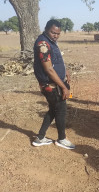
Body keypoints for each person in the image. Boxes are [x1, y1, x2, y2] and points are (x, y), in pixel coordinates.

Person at [32, 19, 75, 149]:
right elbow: (49, 69)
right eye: (53, 32)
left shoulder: (51, 42)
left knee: (53, 109)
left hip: (55, 83)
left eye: (58, 33)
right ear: (46, 29)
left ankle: (40, 138)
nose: (55, 35)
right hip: (51, 86)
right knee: (60, 111)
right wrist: (63, 87)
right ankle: (62, 139)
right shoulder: (42, 44)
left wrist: (65, 71)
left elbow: (55, 61)